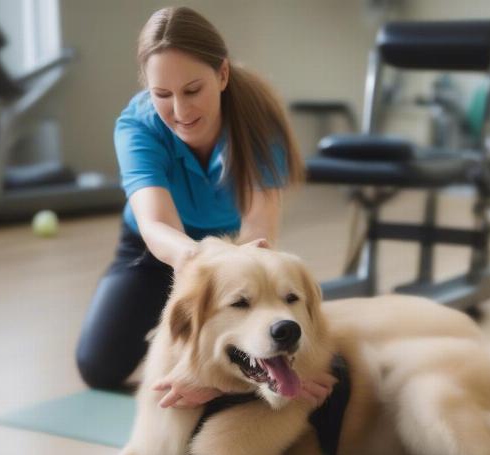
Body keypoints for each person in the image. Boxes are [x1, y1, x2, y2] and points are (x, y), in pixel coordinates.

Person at [76, 6, 335, 407]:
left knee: (257, 346)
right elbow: (155, 225)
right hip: (158, 250)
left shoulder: (258, 123)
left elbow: (258, 231)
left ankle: (234, 373)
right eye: (162, 95)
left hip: (237, 255)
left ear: (222, 75)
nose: (180, 111)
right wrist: (196, 259)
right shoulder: (137, 126)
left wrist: (206, 378)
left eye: (192, 90)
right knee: (98, 366)